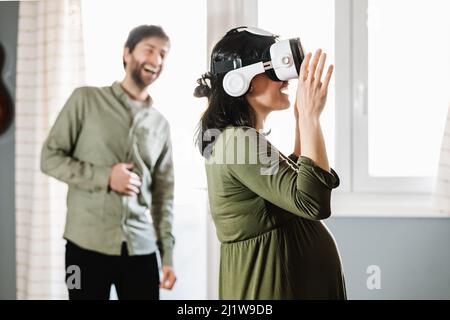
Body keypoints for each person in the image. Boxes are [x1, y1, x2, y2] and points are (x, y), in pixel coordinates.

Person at [194, 27, 346, 299]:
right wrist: (311, 118)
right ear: (242, 81)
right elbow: (312, 201)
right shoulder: (237, 141)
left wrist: (302, 121)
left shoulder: (238, 139)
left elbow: (294, 185)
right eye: (274, 71)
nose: (286, 80)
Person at [41, 25, 176, 300]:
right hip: (83, 248)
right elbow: (50, 158)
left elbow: (164, 196)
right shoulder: (85, 100)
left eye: (163, 54)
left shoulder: (161, 125)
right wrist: (105, 177)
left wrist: (168, 256)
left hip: (141, 250)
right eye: (149, 50)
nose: (157, 60)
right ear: (127, 53)